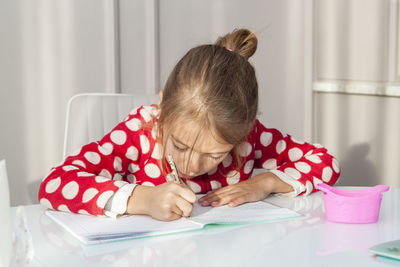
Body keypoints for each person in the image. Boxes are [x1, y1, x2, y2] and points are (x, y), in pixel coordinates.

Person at [38, 28, 340, 221]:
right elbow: (54, 184)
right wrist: (141, 199)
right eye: (180, 145)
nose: (193, 165)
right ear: (162, 110)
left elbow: (325, 160)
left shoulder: (247, 138)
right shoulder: (139, 133)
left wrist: (264, 184)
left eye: (214, 155)